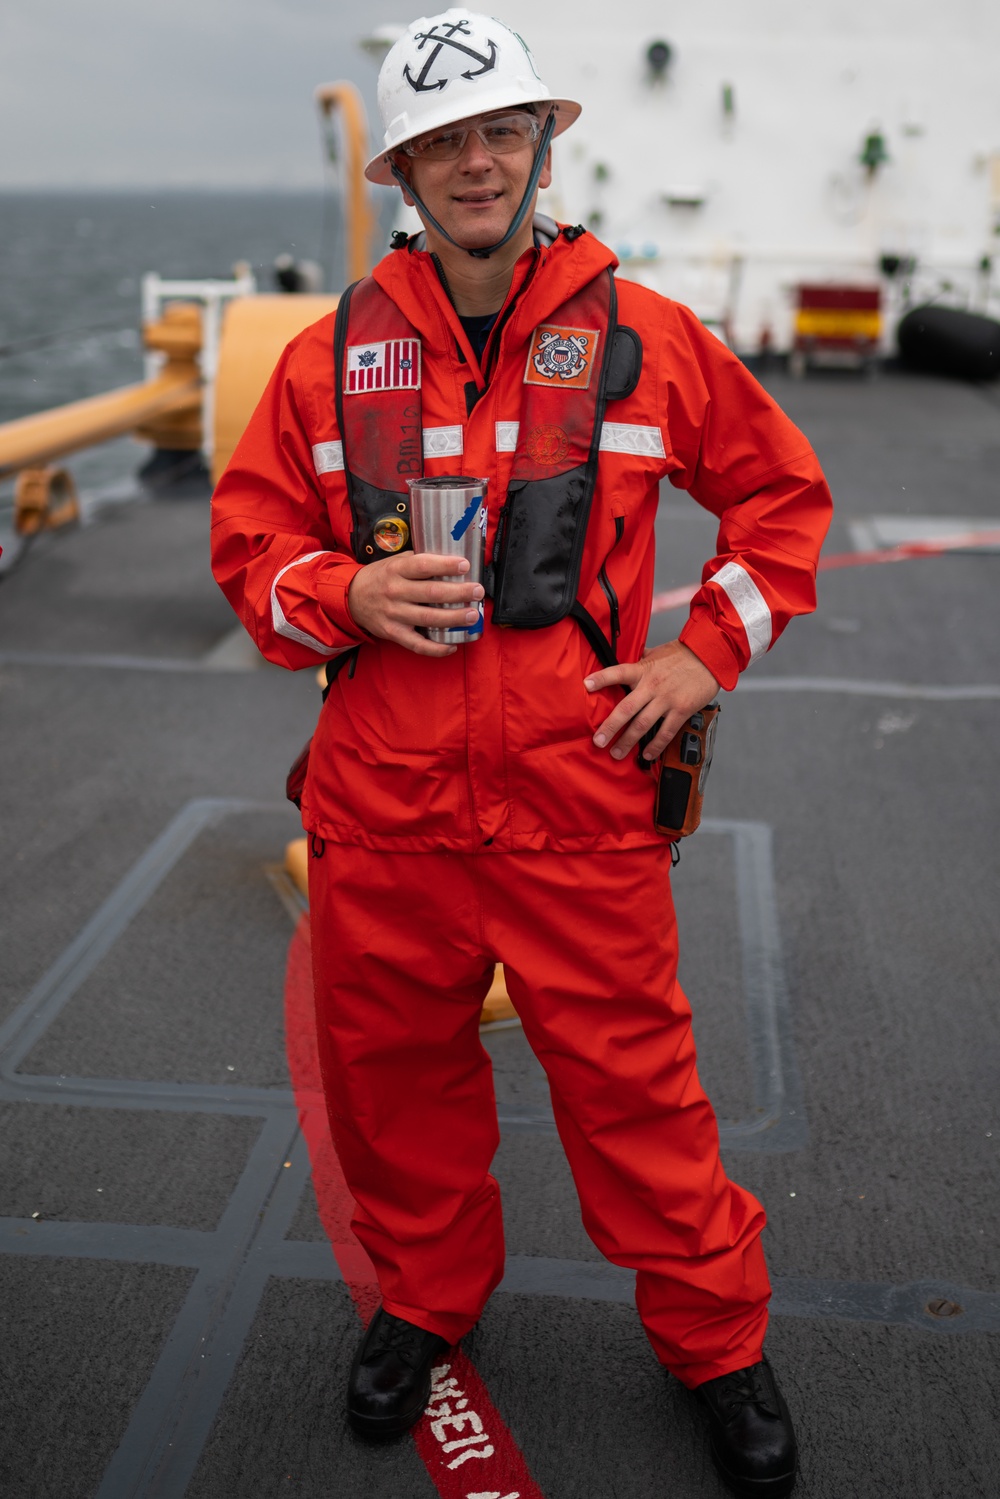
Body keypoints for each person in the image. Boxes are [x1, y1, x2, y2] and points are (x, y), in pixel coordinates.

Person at [211, 11, 832, 1495]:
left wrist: (702, 655)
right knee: (395, 1086)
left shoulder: (650, 340)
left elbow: (782, 506)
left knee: (639, 1097)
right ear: (405, 168)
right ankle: (424, 1303)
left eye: (500, 132)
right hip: (385, 812)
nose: (475, 163)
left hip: (580, 805)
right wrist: (342, 593)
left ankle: (718, 1342)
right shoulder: (320, 363)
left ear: (542, 144)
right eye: (444, 142)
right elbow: (250, 554)